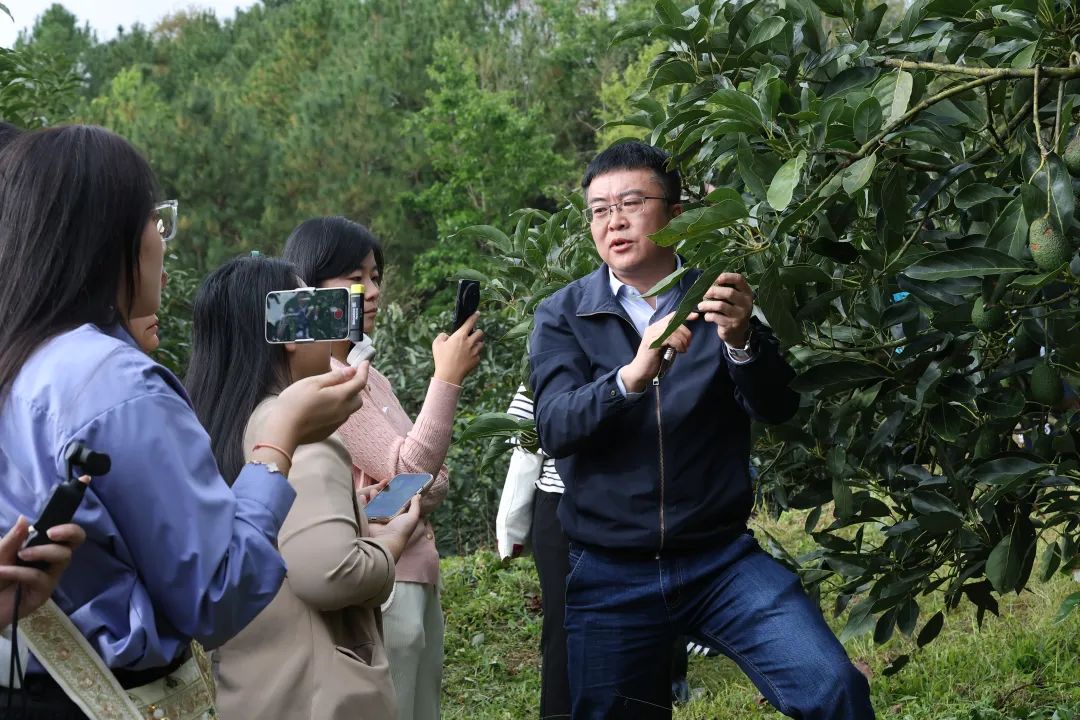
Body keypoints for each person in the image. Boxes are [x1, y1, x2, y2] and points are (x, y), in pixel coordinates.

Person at [0, 125, 367, 717]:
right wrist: (279, 442)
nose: (163, 240)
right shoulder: (116, 383)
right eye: (156, 220)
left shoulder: (22, 366)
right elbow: (216, 594)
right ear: (108, 237)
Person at [529, 141, 874, 719]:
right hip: (611, 569)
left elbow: (778, 405)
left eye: (632, 202)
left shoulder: (720, 298)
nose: (614, 221)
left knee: (831, 686)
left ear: (675, 213)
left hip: (720, 561)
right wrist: (631, 376)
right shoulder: (564, 314)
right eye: (598, 209)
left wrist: (741, 342)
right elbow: (557, 426)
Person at [185, 256, 420, 719]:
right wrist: (389, 544)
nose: (335, 325)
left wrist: (351, 510)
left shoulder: (216, 427)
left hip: (251, 687)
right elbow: (328, 573)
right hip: (319, 695)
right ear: (288, 331)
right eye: (315, 308)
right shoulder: (301, 431)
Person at [284, 216, 483, 720]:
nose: (370, 291)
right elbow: (417, 465)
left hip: (412, 569)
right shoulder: (329, 381)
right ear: (308, 291)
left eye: (375, 277)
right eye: (354, 277)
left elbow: (427, 479)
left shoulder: (369, 376)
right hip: (382, 578)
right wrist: (447, 378)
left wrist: (412, 476)